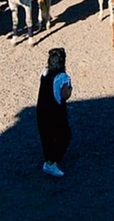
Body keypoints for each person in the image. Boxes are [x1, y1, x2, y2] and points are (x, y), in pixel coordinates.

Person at [37, 47, 73, 178]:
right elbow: (65, 95)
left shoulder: (45, 72)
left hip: (41, 111)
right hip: (55, 113)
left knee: (46, 137)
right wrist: (70, 87)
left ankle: (49, 159)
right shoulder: (62, 77)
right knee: (64, 136)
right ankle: (52, 162)